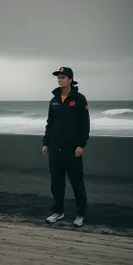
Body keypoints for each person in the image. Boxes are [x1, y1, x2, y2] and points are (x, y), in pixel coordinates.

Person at [42, 66, 90, 227]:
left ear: (70, 80)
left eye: (62, 77)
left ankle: (80, 214)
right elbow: (50, 123)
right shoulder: (54, 100)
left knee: (77, 183)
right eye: (58, 77)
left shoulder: (79, 99)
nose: (59, 79)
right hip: (55, 149)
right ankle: (58, 211)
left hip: (72, 150)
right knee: (56, 182)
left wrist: (81, 144)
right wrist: (46, 142)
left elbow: (85, 124)